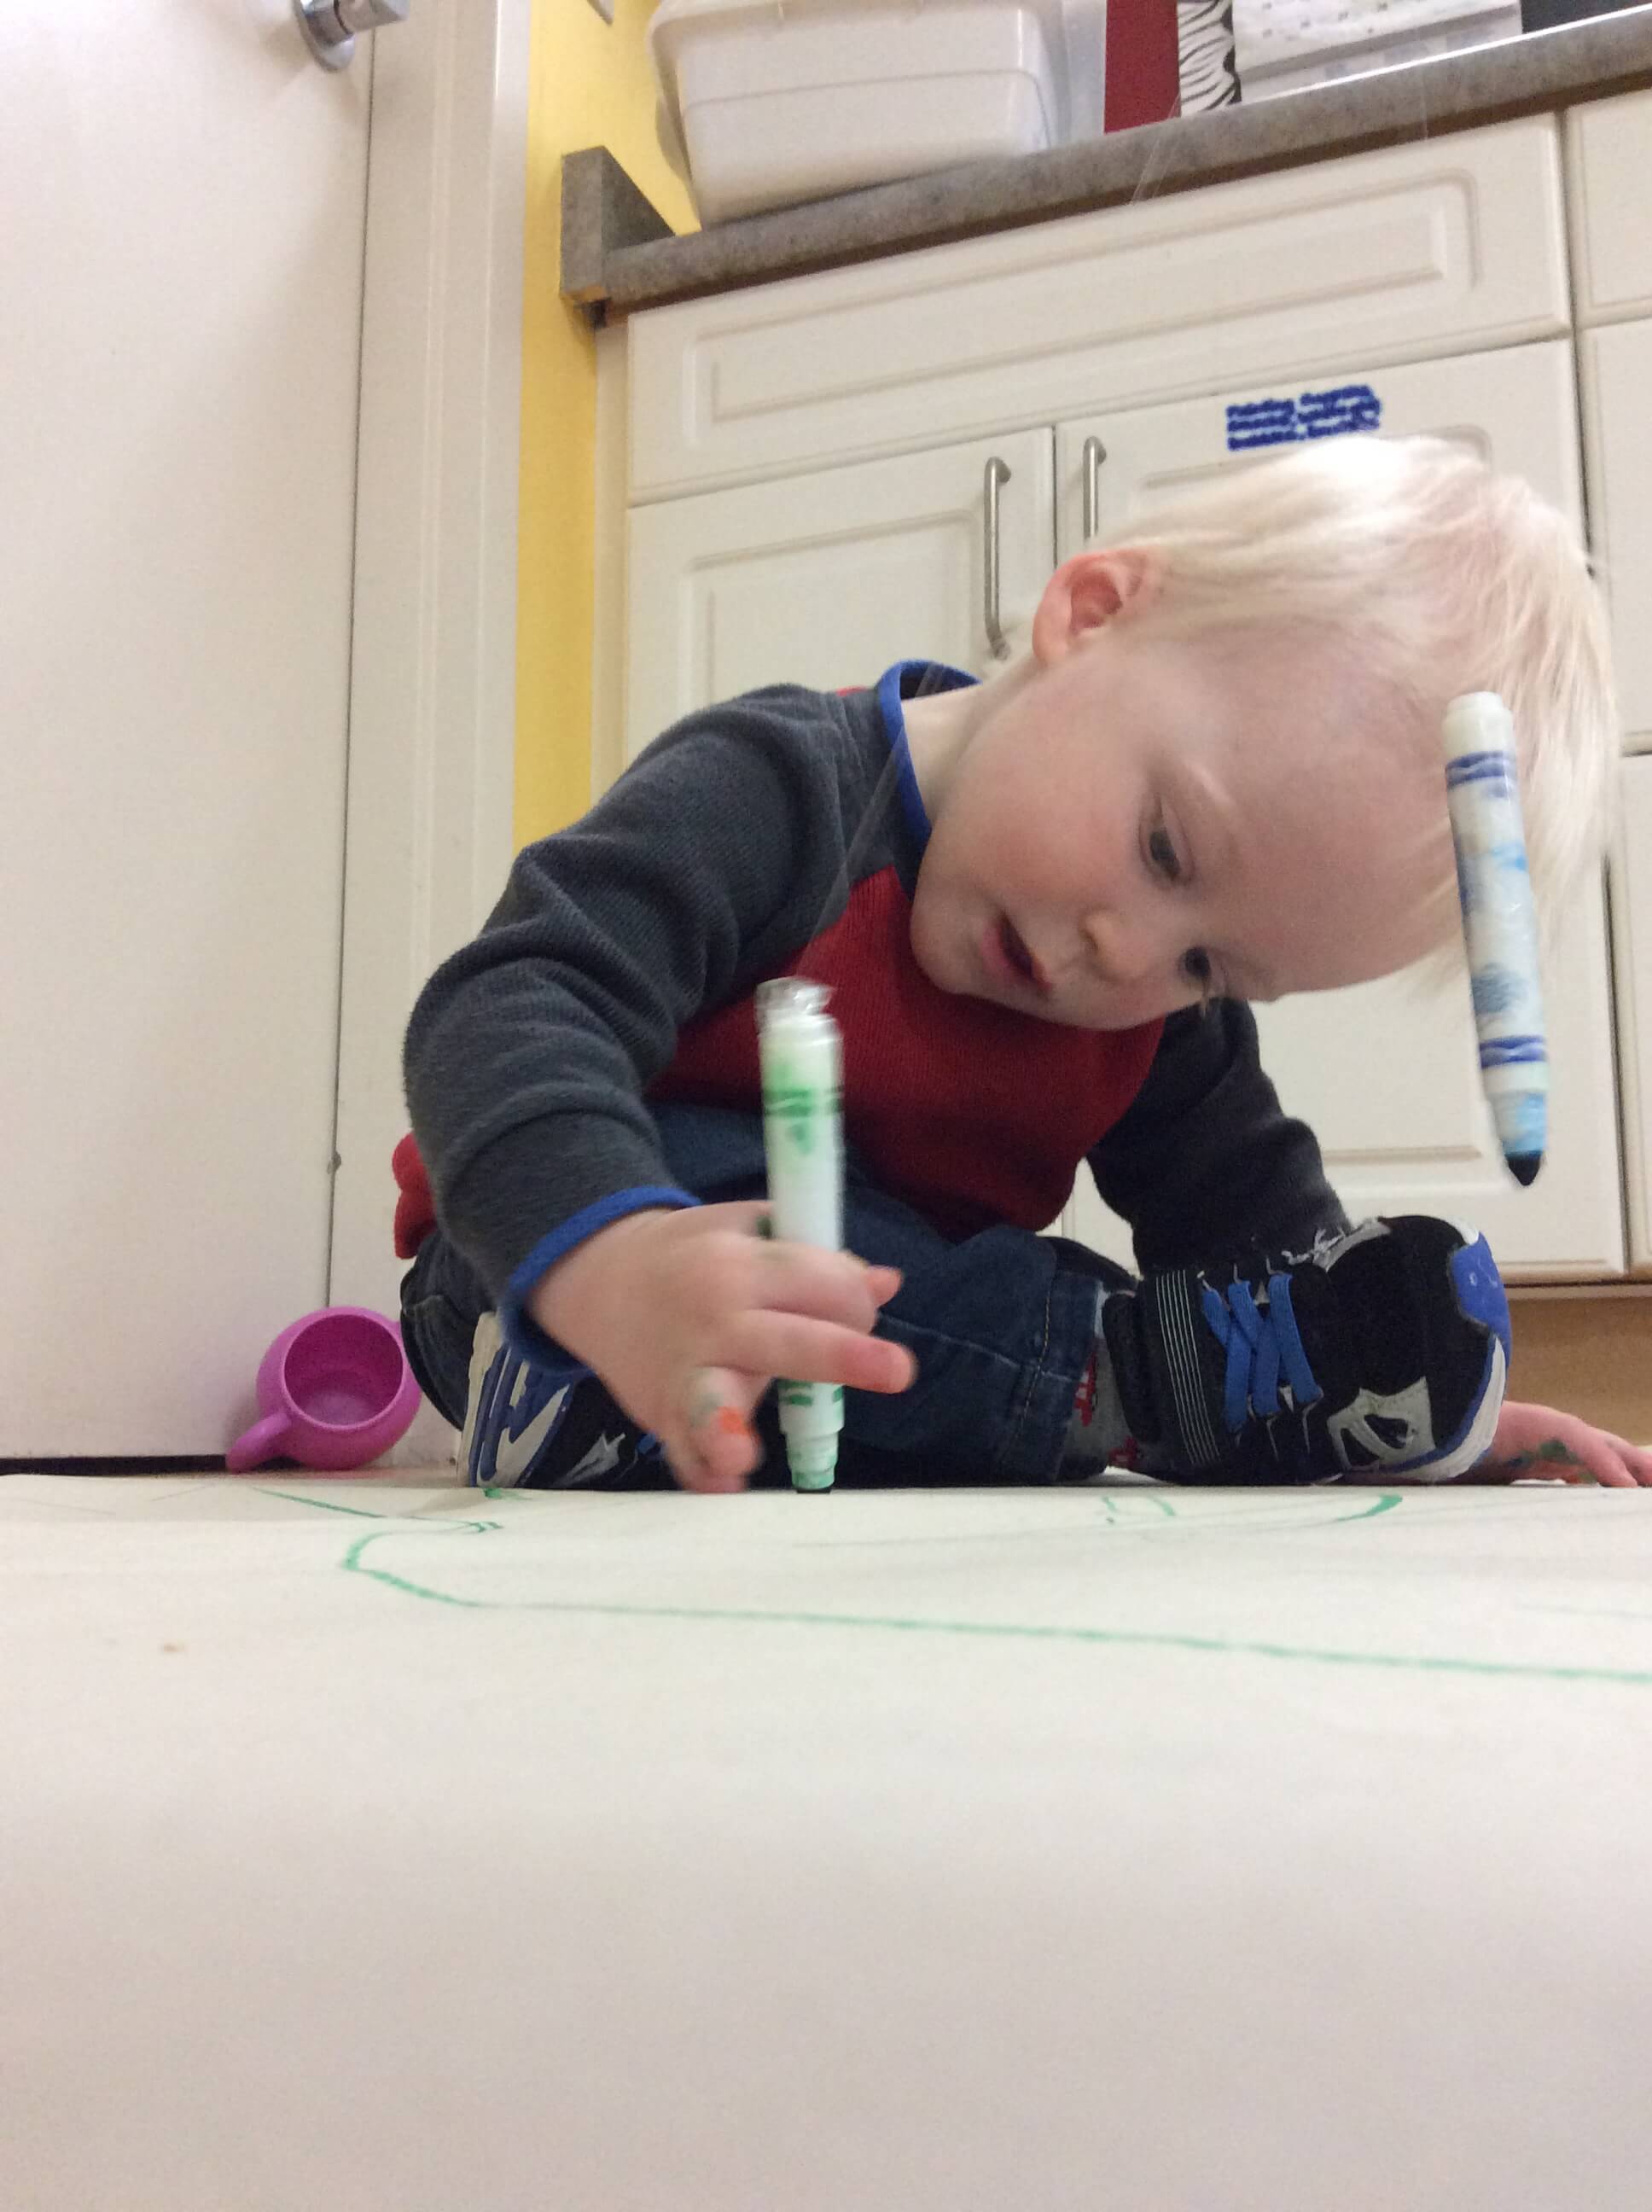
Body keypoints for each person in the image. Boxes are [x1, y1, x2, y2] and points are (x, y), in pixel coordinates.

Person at [396, 435, 1652, 1493]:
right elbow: (507, 1004)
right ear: (1091, 612)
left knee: (973, 1293)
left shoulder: (1148, 1004)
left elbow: (1245, 1227)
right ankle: (1099, 1381)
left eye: (1212, 966)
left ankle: (1089, 1379)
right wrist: (610, 1261)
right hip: (535, 1271)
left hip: (875, 1335)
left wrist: (1379, 1387)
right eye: (1164, 849)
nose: (1131, 957)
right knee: (765, 1210)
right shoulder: (780, 792)